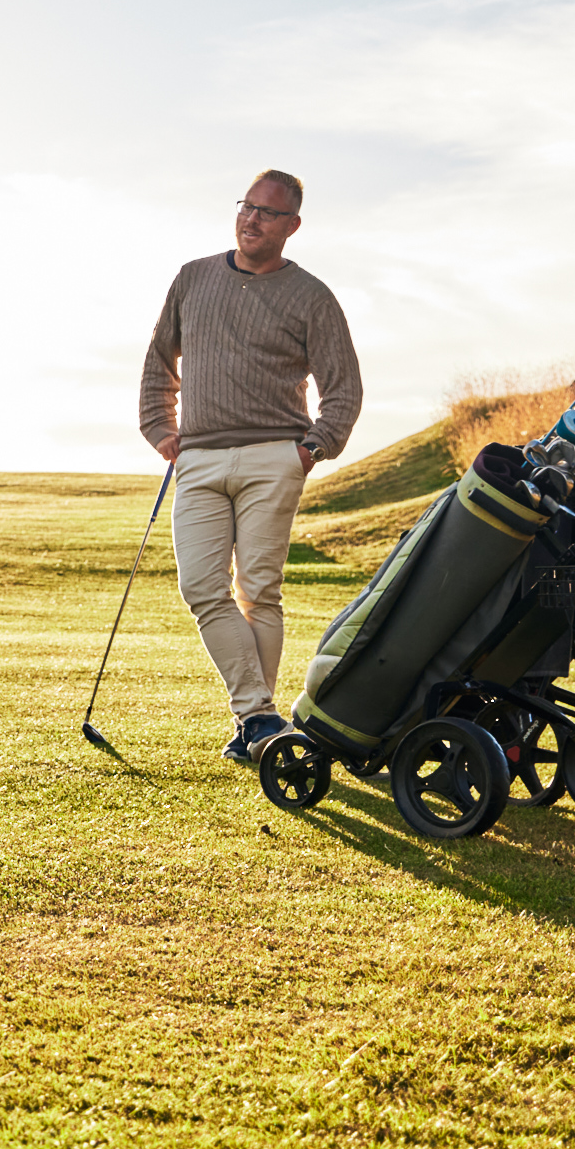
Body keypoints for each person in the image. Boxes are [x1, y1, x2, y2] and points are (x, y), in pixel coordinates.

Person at [137, 169, 364, 764]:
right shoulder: (193, 278)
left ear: (291, 226)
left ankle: (253, 728)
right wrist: (162, 432)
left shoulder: (311, 296)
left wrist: (312, 449)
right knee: (202, 588)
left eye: (267, 213)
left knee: (259, 592)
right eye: (246, 207)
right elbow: (160, 361)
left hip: (275, 457)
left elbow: (344, 388)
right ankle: (260, 715)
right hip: (199, 457)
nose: (251, 219)